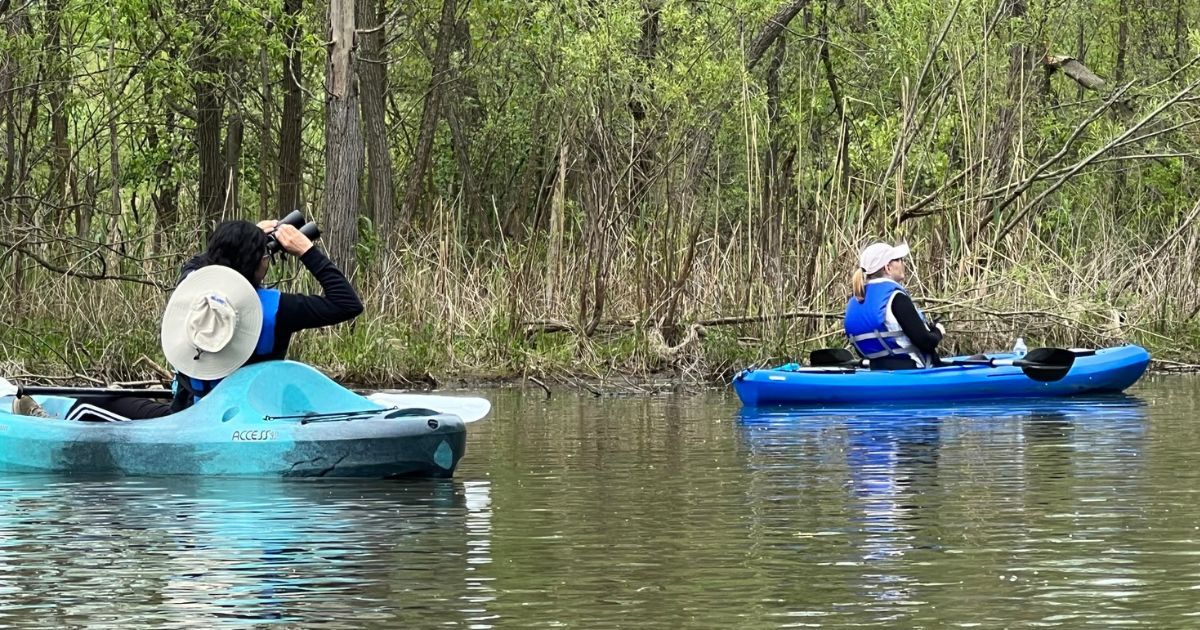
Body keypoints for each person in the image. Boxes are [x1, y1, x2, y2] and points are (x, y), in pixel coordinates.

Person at [13, 219, 363, 420]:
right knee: (123, 399)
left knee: (96, 402)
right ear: (261, 262)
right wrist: (306, 250)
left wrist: (245, 236)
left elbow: (198, 266)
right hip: (250, 415)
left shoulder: (192, 292)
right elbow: (347, 303)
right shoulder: (282, 308)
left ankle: (50, 423)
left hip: (195, 415)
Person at [843, 241, 943, 370]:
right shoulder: (897, 298)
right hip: (911, 370)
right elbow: (926, 342)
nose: (903, 264)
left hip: (876, 369)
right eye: (899, 260)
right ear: (888, 268)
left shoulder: (856, 299)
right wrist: (938, 332)